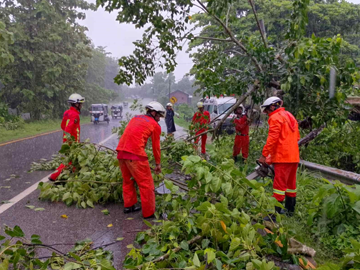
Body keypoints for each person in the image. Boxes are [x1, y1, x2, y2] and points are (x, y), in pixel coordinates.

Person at [116, 101, 165, 219]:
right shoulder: (155, 125)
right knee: (146, 184)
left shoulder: (135, 118)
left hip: (121, 152)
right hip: (136, 155)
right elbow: (156, 147)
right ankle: (149, 213)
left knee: (127, 181)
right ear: (153, 113)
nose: (159, 119)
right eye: (158, 116)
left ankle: (129, 206)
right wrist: (158, 163)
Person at [259, 97, 300, 218]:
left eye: (266, 111)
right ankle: (289, 211)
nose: (267, 114)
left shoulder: (275, 117)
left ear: (272, 107)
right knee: (291, 185)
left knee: (279, 187)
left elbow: (272, 139)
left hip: (283, 158)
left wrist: (264, 155)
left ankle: (274, 215)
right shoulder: (289, 115)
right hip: (294, 156)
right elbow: (297, 137)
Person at [49, 93, 85, 181]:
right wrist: (71, 142)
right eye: (80, 103)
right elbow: (68, 128)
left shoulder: (67, 113)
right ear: (76, 104)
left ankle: (73, 177)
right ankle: (54, 176)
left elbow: (63, 126)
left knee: (74, 160)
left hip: (67, 141)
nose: (81, 105)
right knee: (69, 161)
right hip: (72, 142)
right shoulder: (75, 115)